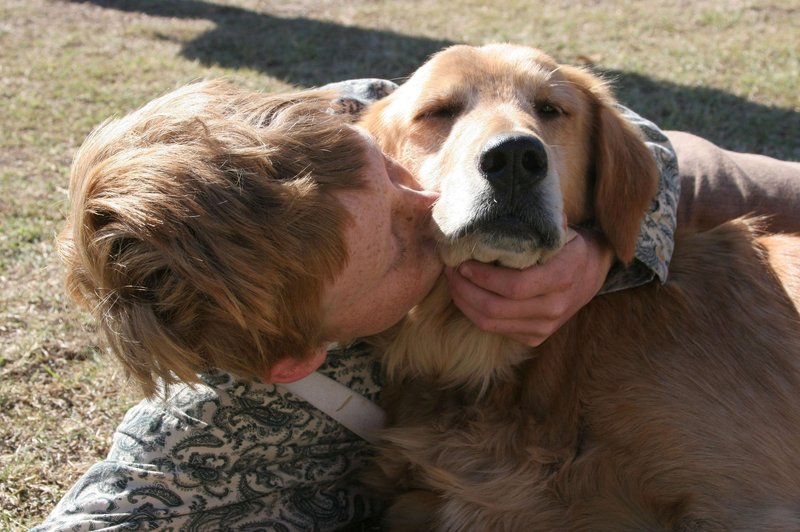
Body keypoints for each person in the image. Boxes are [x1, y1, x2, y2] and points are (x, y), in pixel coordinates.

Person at [33, 79, 800, 531]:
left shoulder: (347, 118)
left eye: (390, 175)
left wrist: (606, 247)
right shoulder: (215, 431)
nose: (432, 198)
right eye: (405, 244)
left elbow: (648, 147)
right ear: (297, 357)